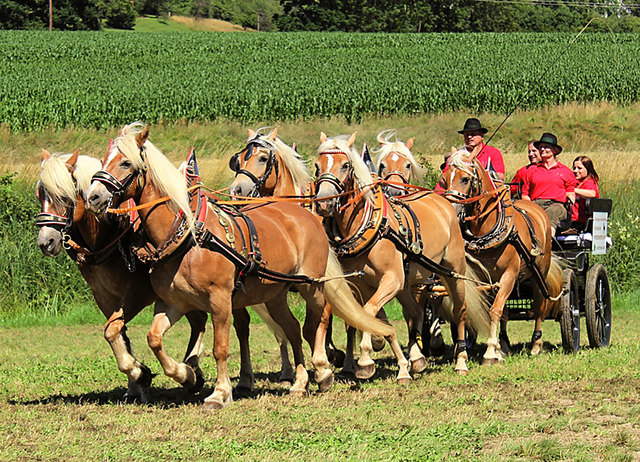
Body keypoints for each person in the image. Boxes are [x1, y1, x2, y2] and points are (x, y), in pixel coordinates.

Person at [522, 132, 577, 236]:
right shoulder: (532, 170)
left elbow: (570, 193)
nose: (542, 149)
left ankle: (547, 242)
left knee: (551, 214)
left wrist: (569, 199)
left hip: (556, 205)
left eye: (546, 147)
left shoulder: (565, 171)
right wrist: (531, 207)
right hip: (536, 204)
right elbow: (525, 194)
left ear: (554, 151)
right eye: (541, 147)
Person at [571, 155, 600, 230]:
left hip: (580, 222)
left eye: (579, 168)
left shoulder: (589, 182)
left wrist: (572, 190)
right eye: (574, 168)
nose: (575, 170)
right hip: (572, 220)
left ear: (588, 169)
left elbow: (592, 193)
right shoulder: (576, 182)